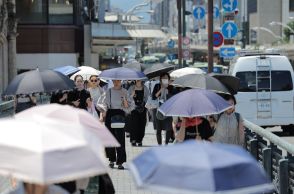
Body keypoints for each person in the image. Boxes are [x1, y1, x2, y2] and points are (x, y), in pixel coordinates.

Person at [97, 80, 135, 170]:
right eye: (114, 80)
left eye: (118, 81)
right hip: (110, 114)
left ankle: (120, 162)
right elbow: (102, 104)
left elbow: (129, 106)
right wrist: (103, 113)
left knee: (120, 139)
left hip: (120, 114)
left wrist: (125, 99)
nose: (116, 82)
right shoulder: (108, 91)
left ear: (121, 81)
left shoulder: (125, 91)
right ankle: (111, 160)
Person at [152, 72, 173, 145]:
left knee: (169, 128)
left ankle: (166, 143)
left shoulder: (171, 87)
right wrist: (161, 89)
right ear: (160, 79)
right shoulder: (157, 86)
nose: (165, 79)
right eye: (163, 78)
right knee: (158, 129)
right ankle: (159, 145)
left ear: (169, 79)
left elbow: (173, 97)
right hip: (158, 109)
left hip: (168, 109)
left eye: (166, 78)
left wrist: (168, 87)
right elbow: (153, 97)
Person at [128, 80, 149, 146]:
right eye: (137, 80)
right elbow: (128, 98)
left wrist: (143, 104)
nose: (138, 81)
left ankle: (139, 140)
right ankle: (133, 140)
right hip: (134, 108)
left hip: (142, 108)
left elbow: (147, 97)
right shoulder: (131, 88)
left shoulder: (145, 88)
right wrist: (132, 95)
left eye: (140, 80)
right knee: (134, 124)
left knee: (142, 124)